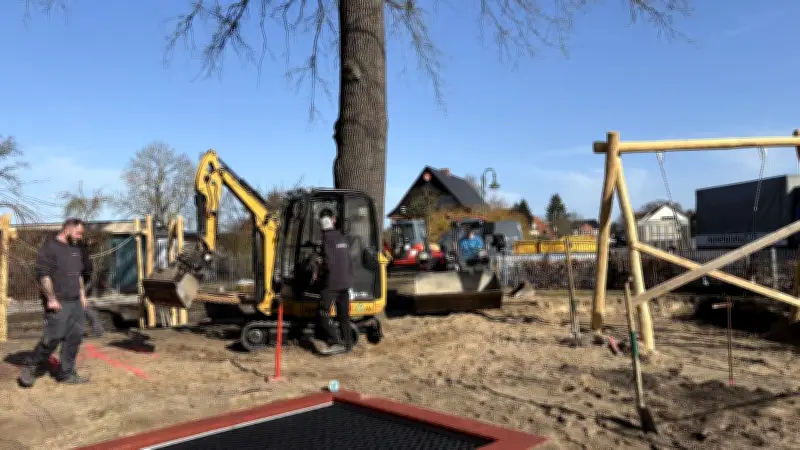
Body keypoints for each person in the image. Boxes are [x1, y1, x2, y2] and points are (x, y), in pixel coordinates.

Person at [18, 218, 91, 387]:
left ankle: (66, 374)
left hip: (75, 302)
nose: (80, 237)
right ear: (67, 229)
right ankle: (30, 366)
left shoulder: (75, 249)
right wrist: (51, 299)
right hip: (59, 302)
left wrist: (82, 296)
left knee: (75, 337)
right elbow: (44, 276)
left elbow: (78, 275)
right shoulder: (49, 248)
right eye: (78, 233)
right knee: (54, 337)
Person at [311, 208, 353, 356]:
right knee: (344, 316)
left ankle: (335, 342)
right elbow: (348, 260)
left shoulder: (326, 239)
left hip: (332, 283)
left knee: (323, 312)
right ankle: (347, 344)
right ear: (333, 220)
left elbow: (328, 263)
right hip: (345, 282)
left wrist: (319, 271)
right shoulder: (342, 237)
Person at [78, 240, 104, 338]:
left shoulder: (76, 250)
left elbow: (80, 270)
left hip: (82, 279)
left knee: (81, 305)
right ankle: (97, 329)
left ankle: (96, 329)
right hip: (85, 278)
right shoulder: (81, 249)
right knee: (81, 305)